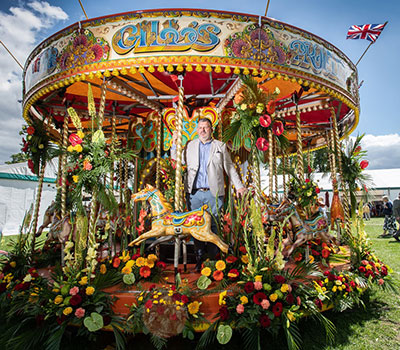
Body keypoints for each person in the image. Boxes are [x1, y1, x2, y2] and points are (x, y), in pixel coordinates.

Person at [171, 118, 246, 271]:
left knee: (214, 225)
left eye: (206, 127)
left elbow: (229, 168)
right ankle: (199, 260)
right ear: (196, 130)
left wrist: (239, 186)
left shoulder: (220, 146)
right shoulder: (190, 146)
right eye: (200, 128)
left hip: (213, 192)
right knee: (197, 227)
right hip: (194, 193)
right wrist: (174, 142)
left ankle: (213, 260)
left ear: (211, 129)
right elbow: (176, 160)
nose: (203, 130)